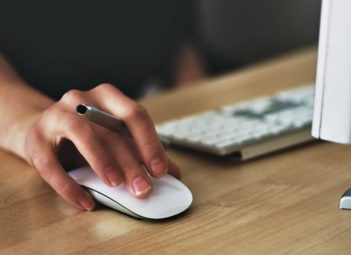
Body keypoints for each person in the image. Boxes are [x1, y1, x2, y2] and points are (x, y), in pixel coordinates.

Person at [0, 2, 201, 211]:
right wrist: (35, 124)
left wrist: (198, 121)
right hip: (48, 118)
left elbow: (182, 44)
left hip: (139, 125)